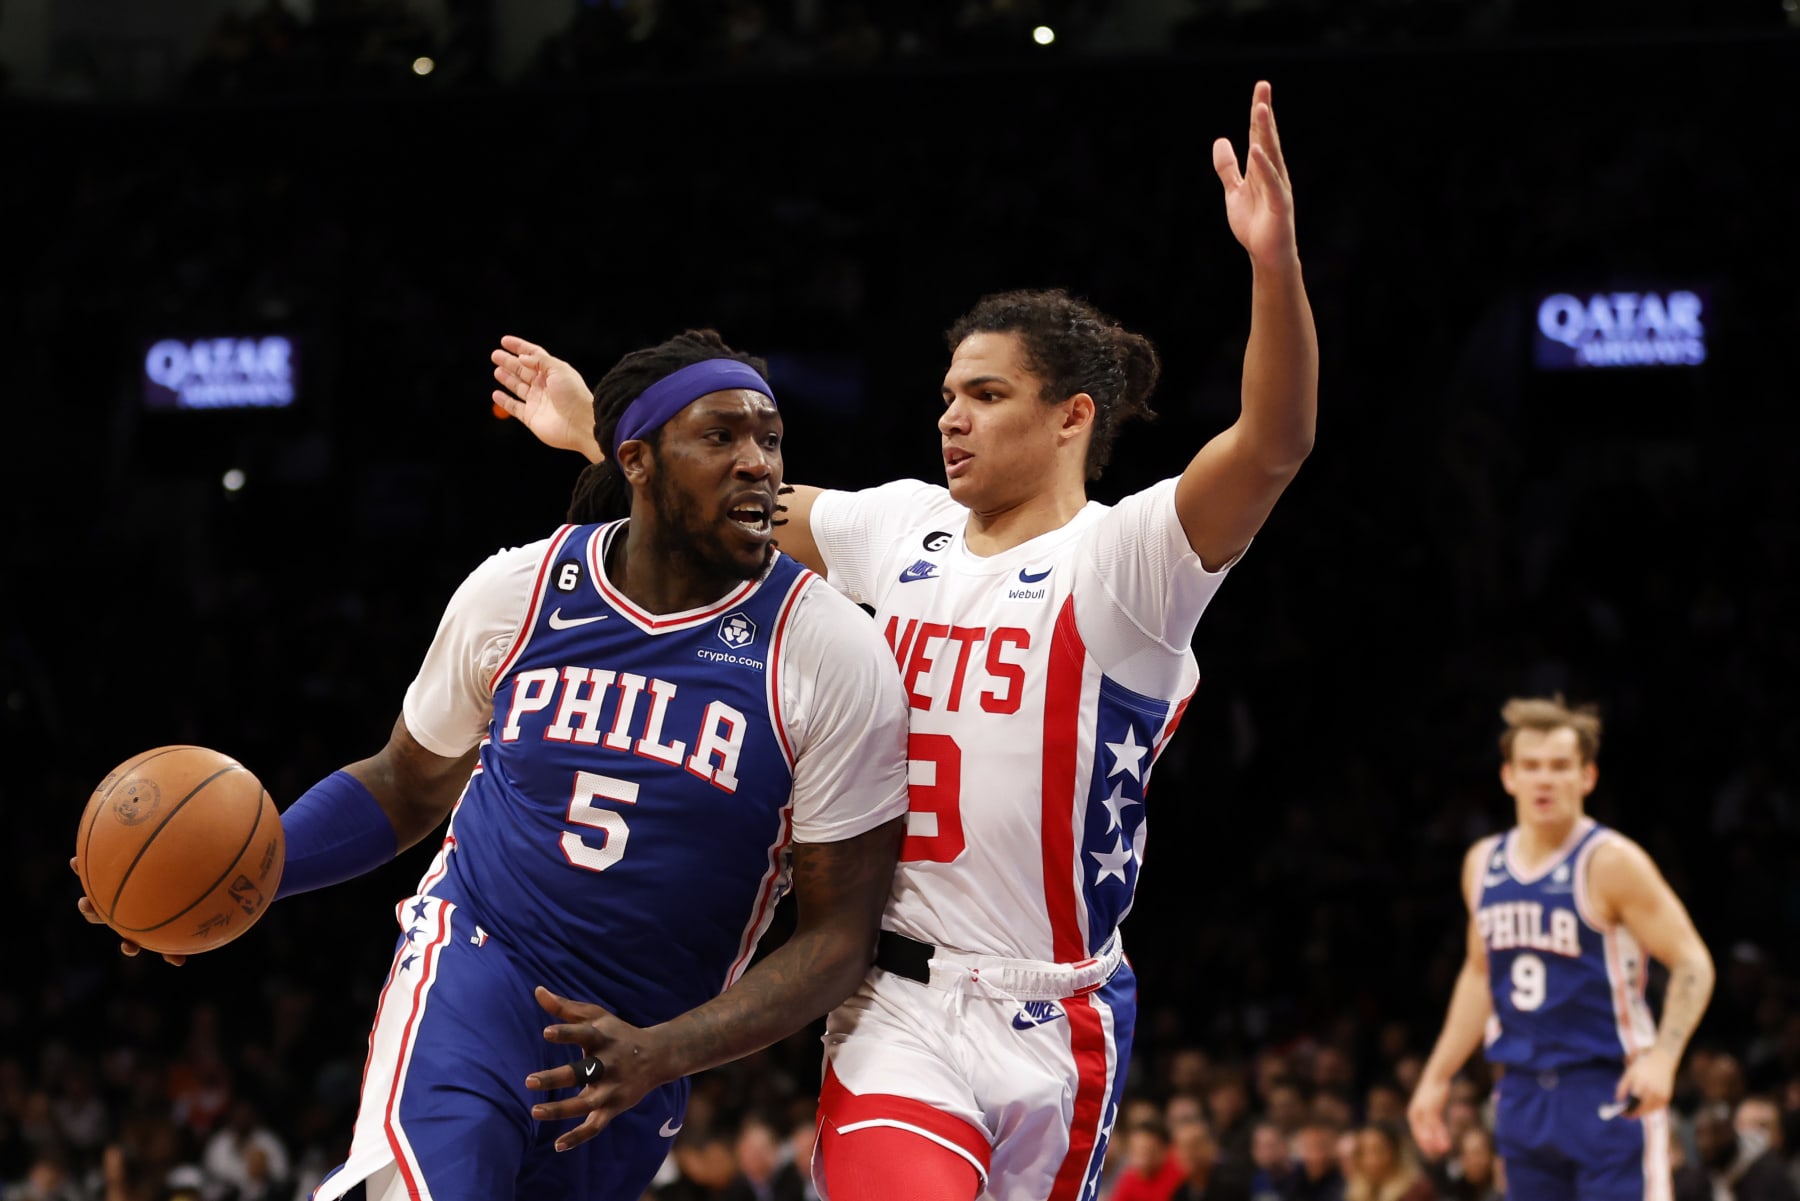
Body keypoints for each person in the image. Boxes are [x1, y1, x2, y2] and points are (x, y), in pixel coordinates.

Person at [491, 80, 1315, 1201]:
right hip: (898, 1008)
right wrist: (592, 425)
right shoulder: (902, 525)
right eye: (946, 395)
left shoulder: (1126, 561)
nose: (951, 417)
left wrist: (1273, 263)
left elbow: (1272, 444)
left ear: (1072, 416)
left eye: (987, 394)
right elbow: (726, 500)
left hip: (1066, 1018)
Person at [77, 331, 913, 1201]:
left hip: (646, 1042)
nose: (758, 463)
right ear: (635, 460)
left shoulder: (830, 649)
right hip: (478, 964)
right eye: (722, 435)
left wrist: (668, 1050)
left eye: (770, 439)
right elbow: (406, 782)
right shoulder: (519, 592)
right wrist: (242, 875)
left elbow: (836, 939)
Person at [1408, 695, 1717, 1201]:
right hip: (1521, 1092)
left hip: (1606, 1086)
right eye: (1531, 767)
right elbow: (1480, 973)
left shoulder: (1611, 862)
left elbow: (1693, 962)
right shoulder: (1482, 863)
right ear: (1509, 777)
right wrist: (1436, 1076)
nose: (1544, 780)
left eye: (1559, 766)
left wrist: (1664, 1057)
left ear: (1587, 777)